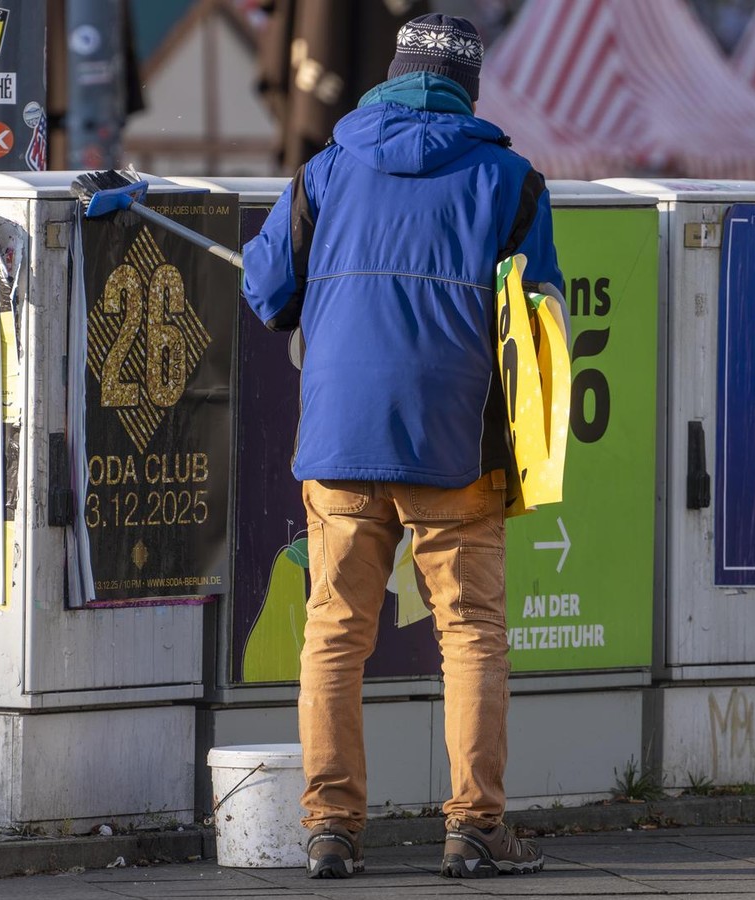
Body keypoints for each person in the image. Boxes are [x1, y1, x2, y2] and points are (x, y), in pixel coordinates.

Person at [240, 12, 563, 881]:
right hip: (457, 443)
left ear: (391, 77)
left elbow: (268, 289)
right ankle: (474, 827)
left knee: (334, 634)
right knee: (471, 634)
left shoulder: (325, 170)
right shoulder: (512, 181)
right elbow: (541, 331)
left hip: (341, 439)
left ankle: (331, 829)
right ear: (470, 90)